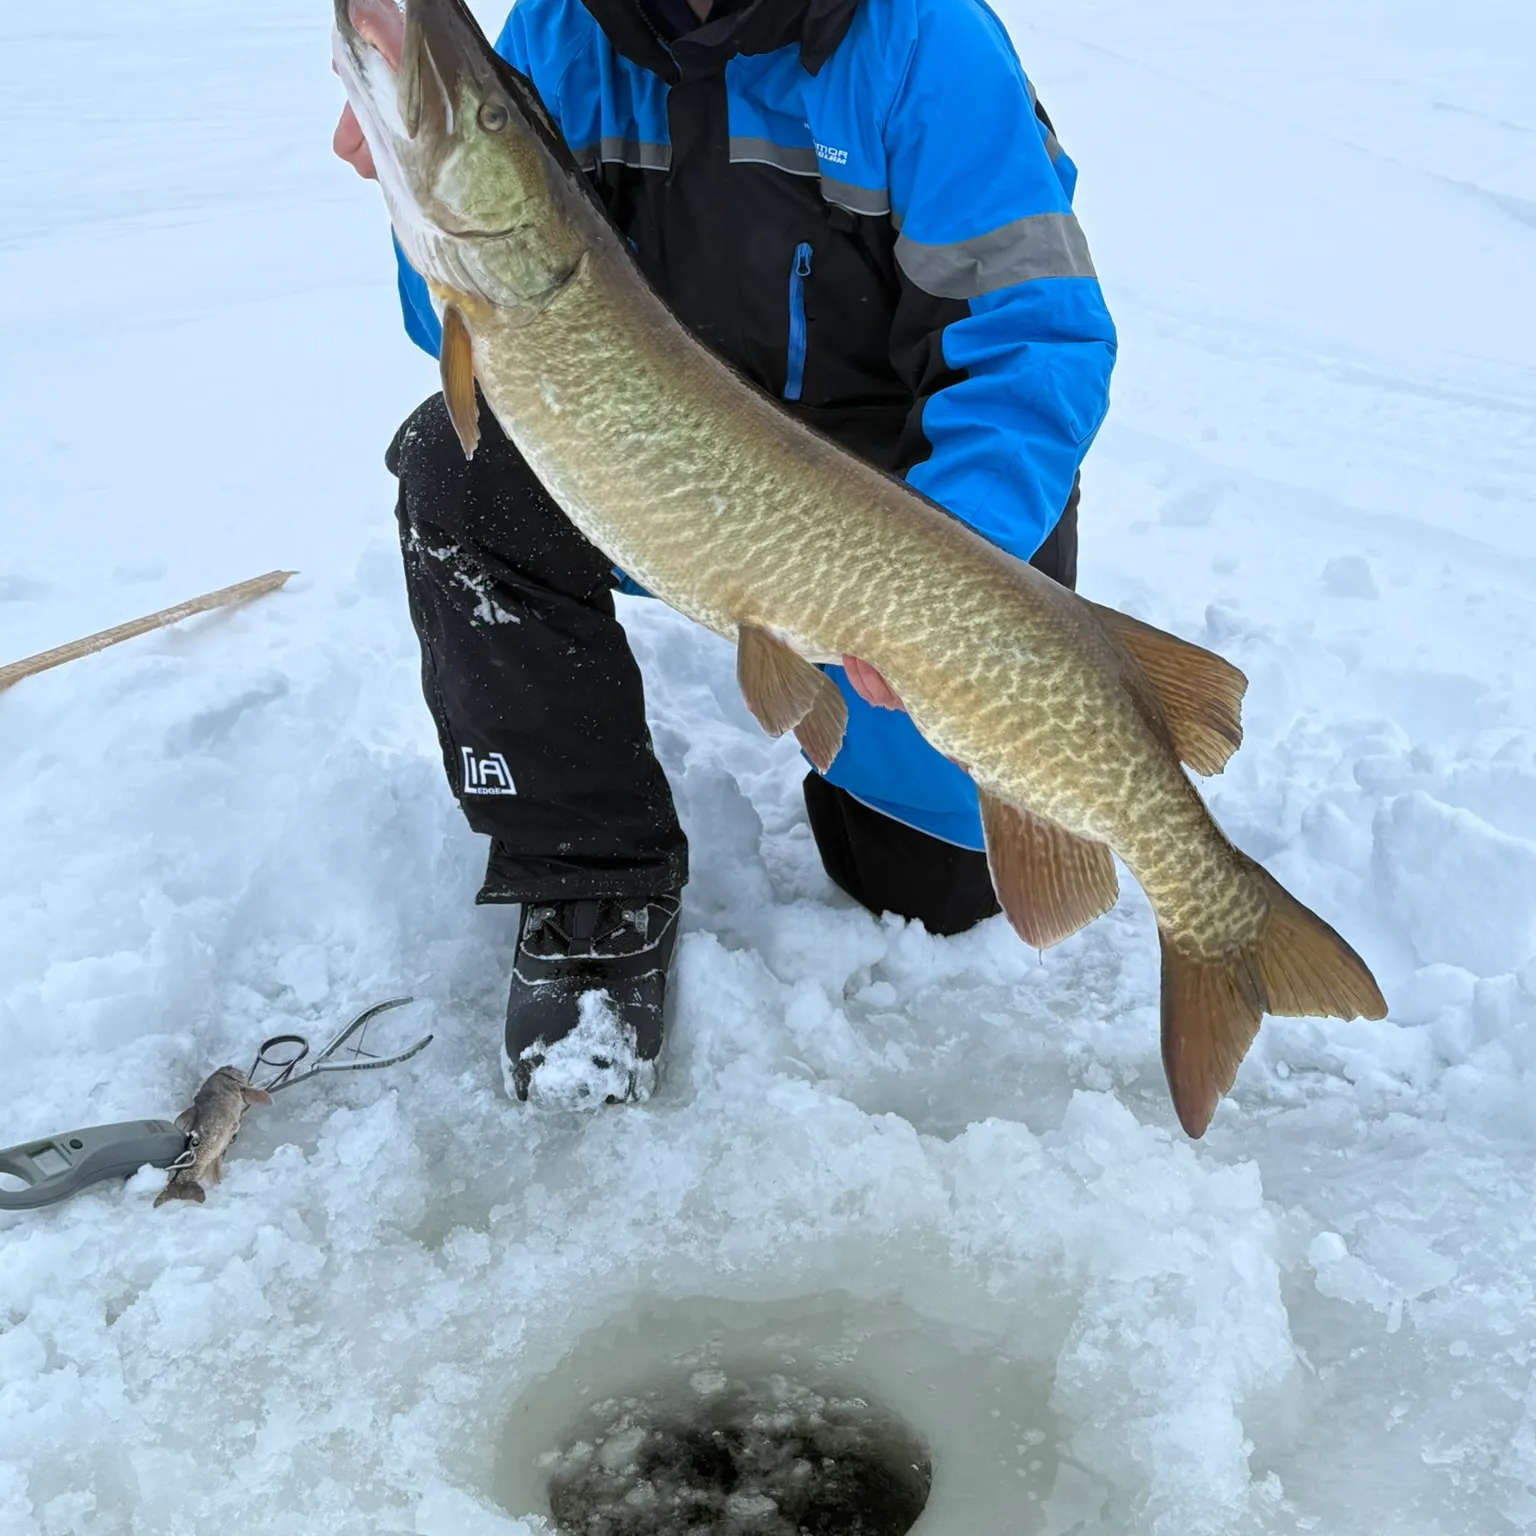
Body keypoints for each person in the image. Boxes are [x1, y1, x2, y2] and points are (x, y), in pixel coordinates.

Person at [332, 0, 1116, 1105]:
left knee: (928, 885)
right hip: (666, 488)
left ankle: (911, 756)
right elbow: (486, 311)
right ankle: (590, 873)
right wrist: (418, 203)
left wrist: (941, 580)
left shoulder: (923, 41)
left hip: (901, 512)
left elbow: (1037, 342)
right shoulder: (563, 30)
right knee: (457, 469)